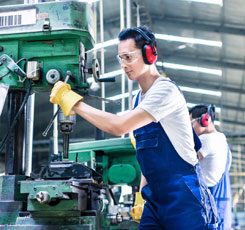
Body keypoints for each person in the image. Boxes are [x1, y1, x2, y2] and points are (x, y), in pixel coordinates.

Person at [50, 26, 218, 229]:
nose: (123, 64)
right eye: (121, 58)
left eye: (128, 57)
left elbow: (118, 126)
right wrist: (141, 194)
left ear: (150, 53)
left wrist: (74, 103)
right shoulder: (138, 99)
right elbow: (147, 156)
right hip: (155, 199)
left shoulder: (165, 91)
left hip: (184, 197)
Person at [189, 104, 232, 230]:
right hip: (217, 203)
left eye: (191, 124)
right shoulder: (221, 139)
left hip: (205, 204)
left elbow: (185, 160)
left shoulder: (206, 139)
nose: (190, 129)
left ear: (204, 120)